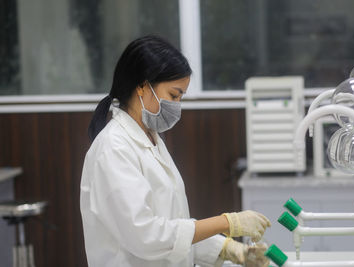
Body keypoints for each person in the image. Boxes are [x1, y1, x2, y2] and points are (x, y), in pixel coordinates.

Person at [80, 35, 271, 267]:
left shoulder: (151, 139)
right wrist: (226, 223)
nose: (177, 106)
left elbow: (172, 227)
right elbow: (146, 236)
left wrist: (224, 249)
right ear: (142, 86)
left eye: (180, 97)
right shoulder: (113, 148)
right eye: (173, 95)